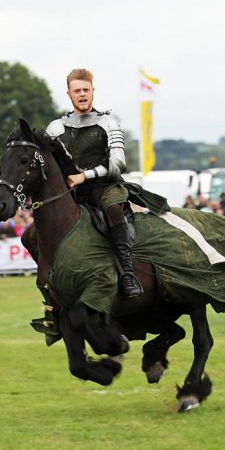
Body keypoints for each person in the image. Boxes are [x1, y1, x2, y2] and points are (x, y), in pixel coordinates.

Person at [46, 68, 142, 298]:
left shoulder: (108, 123)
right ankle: (48, 285)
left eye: (86, 90)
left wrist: (83, 176)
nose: (82, 94)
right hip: (71, 192)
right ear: (69, 94)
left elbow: (118, 164)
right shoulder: (55, 128)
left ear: (93, 91)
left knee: (113, 209)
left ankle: (128, 274)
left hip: (105, 187)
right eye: (77, 90)